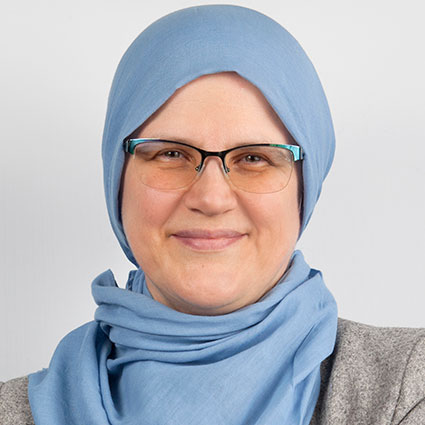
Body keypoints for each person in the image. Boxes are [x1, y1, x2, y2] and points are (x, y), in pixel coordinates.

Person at [1, 4, 424, 425]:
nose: (211, 197)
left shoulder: (405, 391)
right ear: (117, 178)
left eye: (255, 158)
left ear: (304, 189)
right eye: (171, 153)